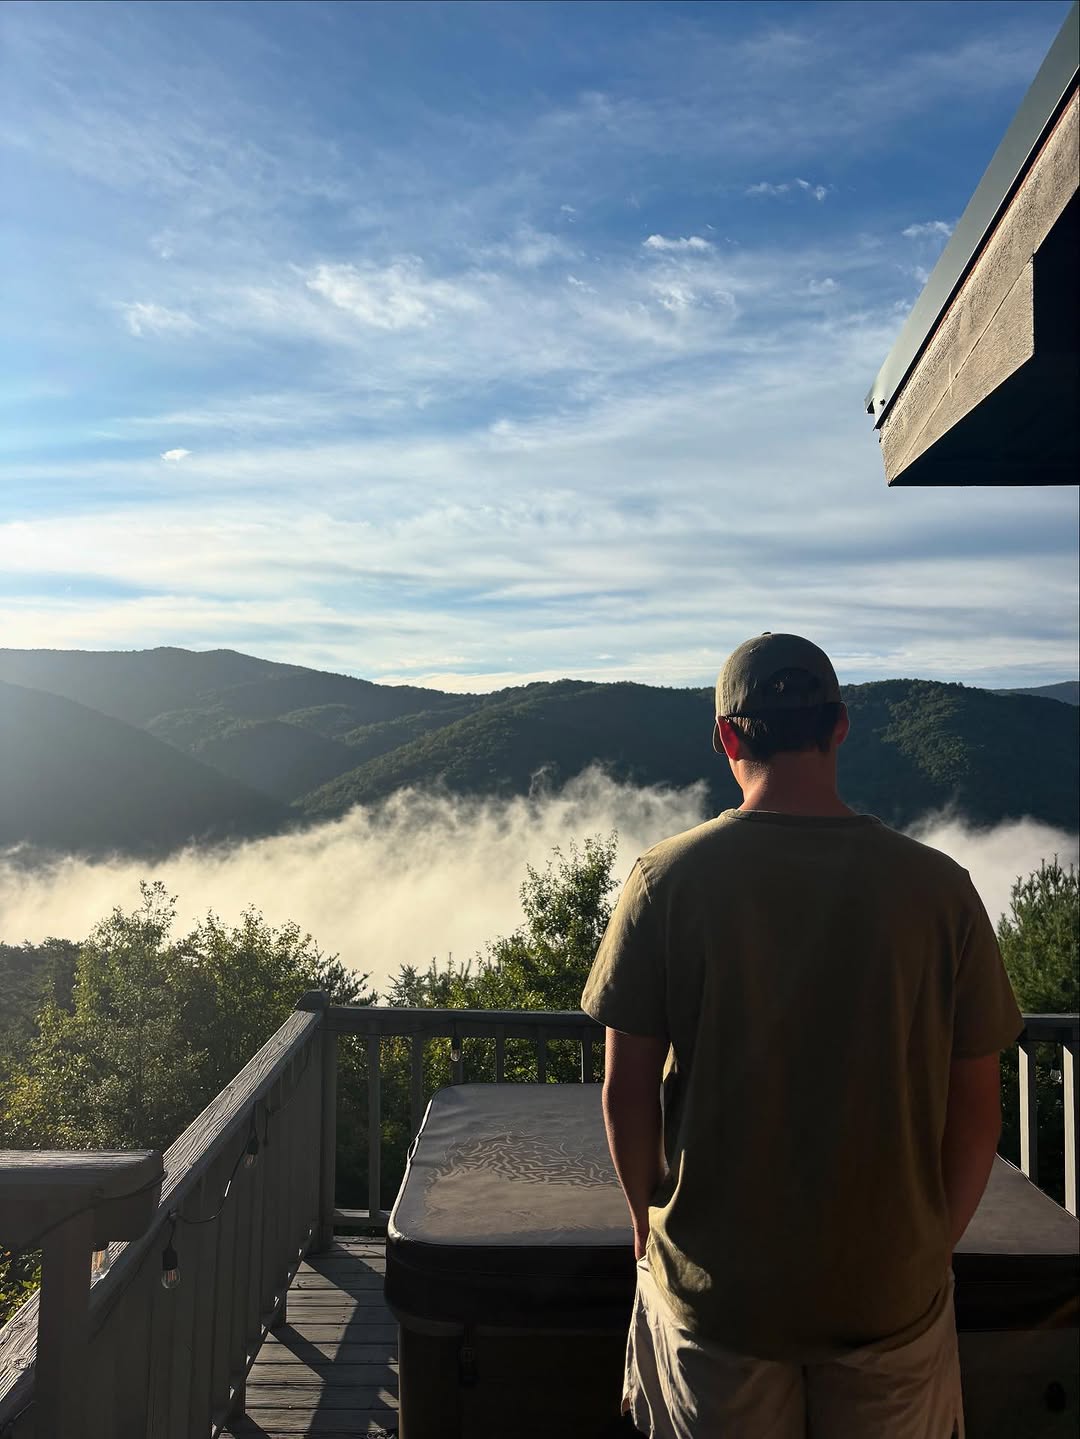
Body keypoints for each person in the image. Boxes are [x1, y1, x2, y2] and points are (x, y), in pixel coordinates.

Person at [581, 632, 1022, 1439]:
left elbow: (626, 1091)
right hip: (891, 1297)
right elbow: (977, 1114)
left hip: (718, 1297)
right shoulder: (941, 891)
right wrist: (930, 1248)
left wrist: (647, 1224)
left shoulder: (665, 882)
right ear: (840, 726)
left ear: (727, 737)